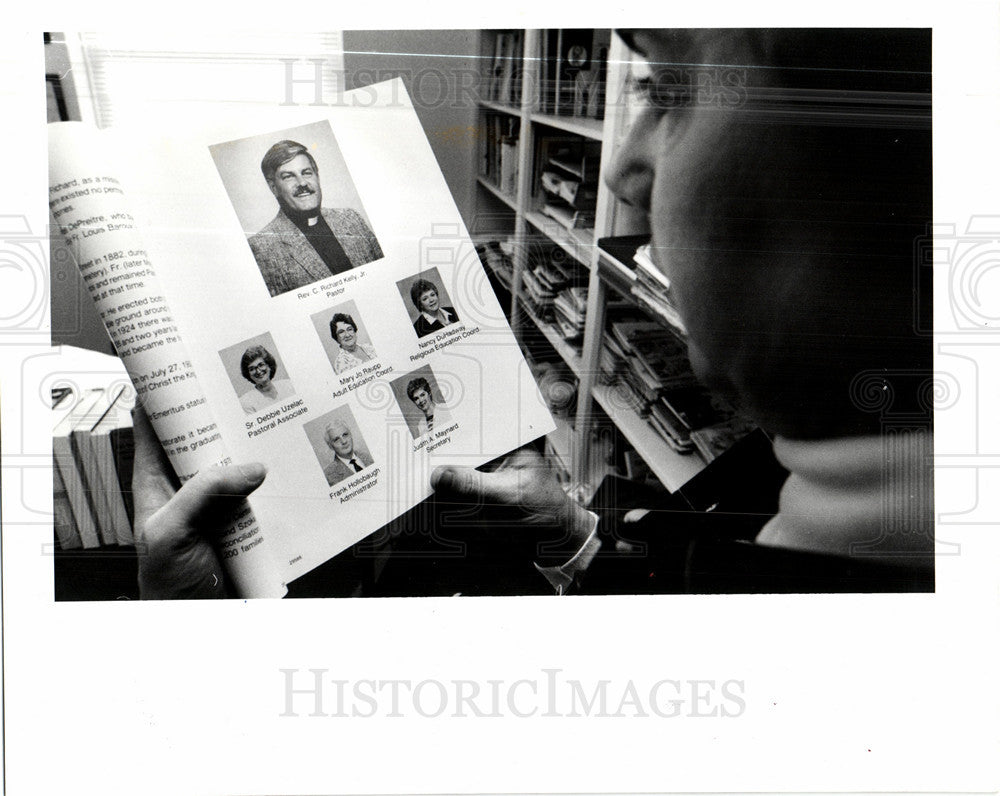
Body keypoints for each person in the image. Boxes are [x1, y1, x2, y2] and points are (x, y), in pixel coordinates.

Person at [132, 29, 932, 598]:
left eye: (666, 87)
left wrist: (203, 652)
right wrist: (573, 534)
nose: (621, 171)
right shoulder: (816, 478)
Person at [248, 140, 383, 298]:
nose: (302, 183)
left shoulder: (351, 219)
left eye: (306, 173)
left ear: (317, 177)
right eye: (289, 176)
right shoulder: (261, 249)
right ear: (273, 188)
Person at [237, 344, 295, 414]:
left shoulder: (288, 385)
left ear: (269, 366)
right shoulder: (246, 402)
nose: (258, 371)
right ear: (248, 374)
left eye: (261, 365)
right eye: (252, 369)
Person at [320, 418, 373, 487]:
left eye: (345, 435)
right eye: (336, 439)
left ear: (351, 435)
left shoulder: (368, 456)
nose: (344, 441)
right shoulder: (328, 477)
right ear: (330, 446)